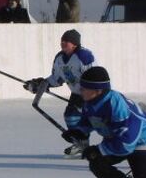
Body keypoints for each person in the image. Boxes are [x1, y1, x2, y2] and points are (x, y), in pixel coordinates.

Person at [24, 29, 96, 157]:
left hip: (93, 94)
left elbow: (95, 77)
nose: (62, 43)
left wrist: (89, 95)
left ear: (74, 44)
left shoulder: (84, 56)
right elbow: (57, 79)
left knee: (99, 120)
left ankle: (117, 145)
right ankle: (81, 144)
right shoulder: (59, 58)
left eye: (66, 41)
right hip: (77, 94)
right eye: (62, 41)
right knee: (71, 116)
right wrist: (41, 84)